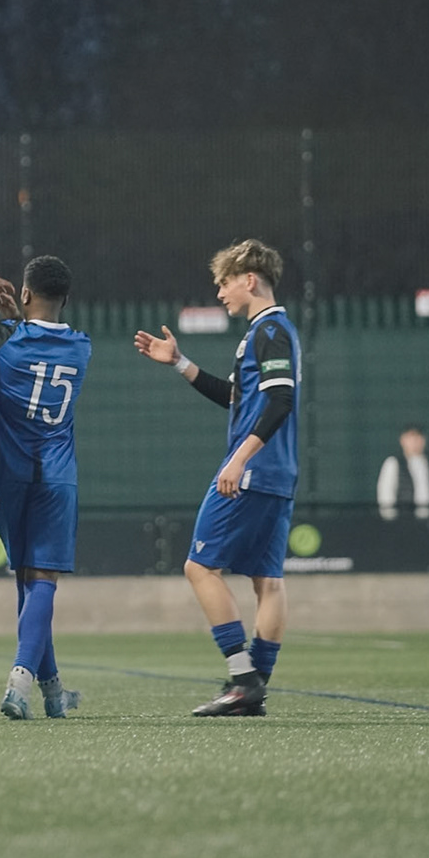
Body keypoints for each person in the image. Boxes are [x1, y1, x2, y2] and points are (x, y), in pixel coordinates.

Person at [135, 238, 300, 717]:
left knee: (199, 567)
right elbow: (237, 396)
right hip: (278, 472)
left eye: (224, 282)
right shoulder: (272, 331)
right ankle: (253, 686)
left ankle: (243, 677)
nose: (220, 292)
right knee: (267, 580)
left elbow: (281, 401)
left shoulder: (270, 330)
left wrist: (239, 459)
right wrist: (180, 363)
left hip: (253, 471)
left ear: (249, 279)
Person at [0, 256, 90, 721]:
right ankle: (21, 683)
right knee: (42, 580)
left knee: (28, 580)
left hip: (7, 475)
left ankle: (51, 690)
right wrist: (17, 320)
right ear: (66, 299)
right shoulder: (82, 346)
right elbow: (39, 344)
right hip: (57, 476)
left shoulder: (1, 335)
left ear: (25, 294)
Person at [378, 425, 429, 519]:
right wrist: (391, 519)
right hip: (404, 520)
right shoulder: (393, 463)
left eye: (418, 438)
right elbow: (386, 494)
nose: (414, 442)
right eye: (410, 438)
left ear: (424, 440)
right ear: (402, 440)